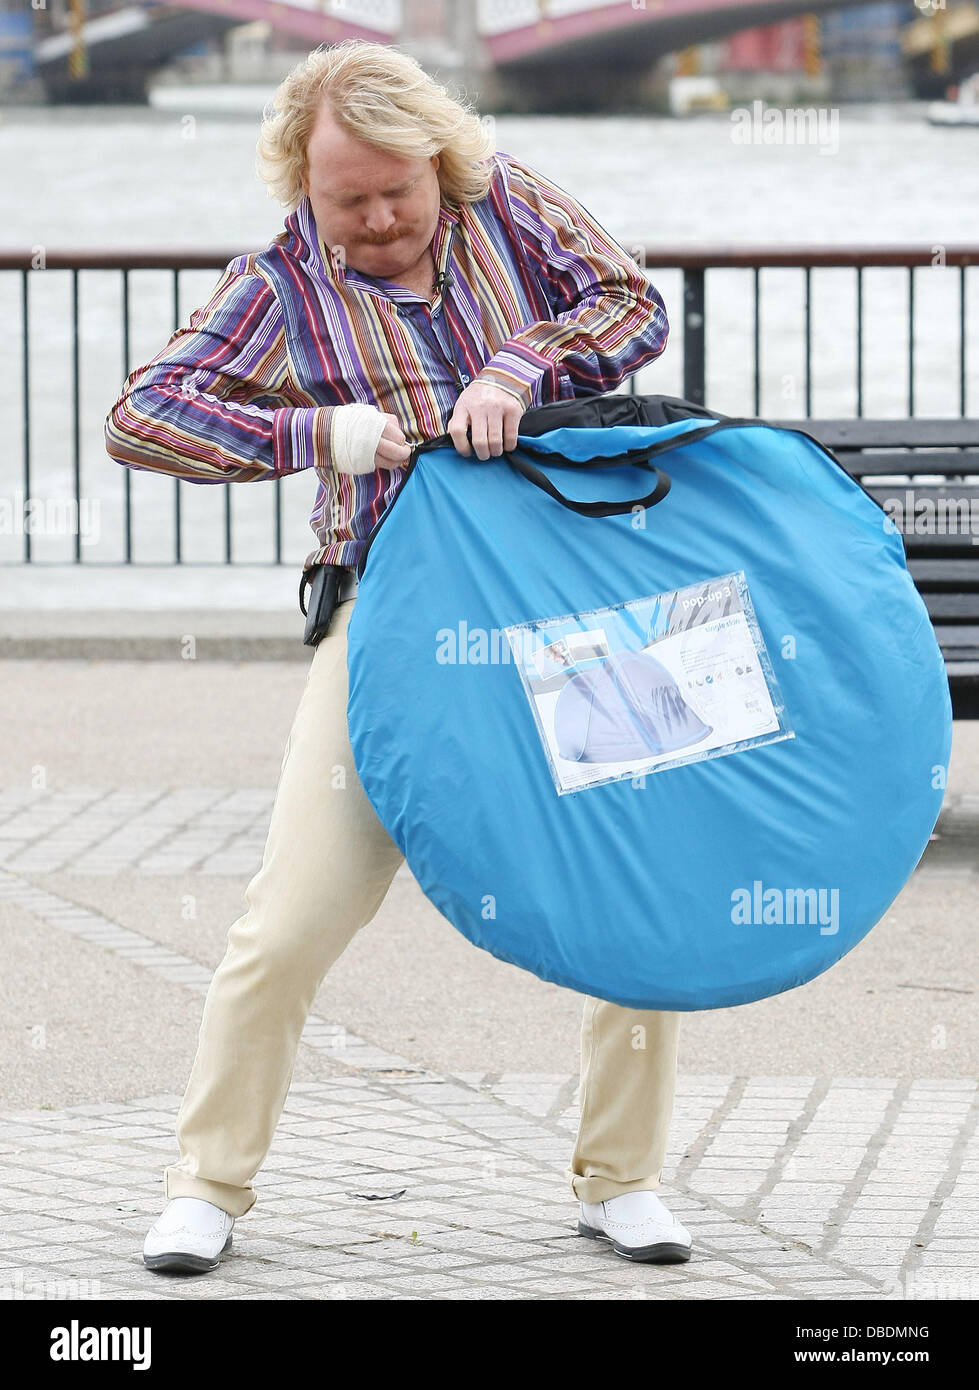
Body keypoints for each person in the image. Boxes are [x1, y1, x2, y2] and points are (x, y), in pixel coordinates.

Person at [105, 38, 691, 1275]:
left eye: (398, 191)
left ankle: (622, 1178)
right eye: (346, 199)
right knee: (293, 915)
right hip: (396, 613)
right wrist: (317, 429)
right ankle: (206, 1185)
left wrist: (519, 360)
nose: (377, 220)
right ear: (302, 185)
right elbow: (139, 416)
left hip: (575, 600)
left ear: (439, 160)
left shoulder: (509, 203)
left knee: (643, 881)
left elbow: (636, 305)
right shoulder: (277, 282)